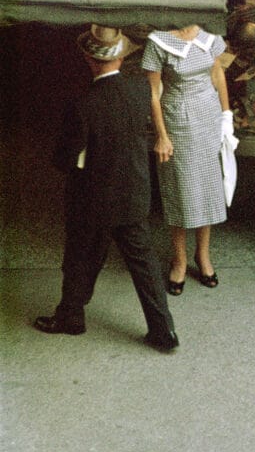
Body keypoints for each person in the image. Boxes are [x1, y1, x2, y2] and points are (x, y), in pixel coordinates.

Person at [34, 26, 179, 353]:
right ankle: (163, 331)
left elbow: (65, 159)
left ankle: (71, 316)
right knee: (145, 268)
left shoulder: (82, 104)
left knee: (79, 259)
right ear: (121, 56)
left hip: (92, 200)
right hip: (133, 193)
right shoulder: (141, 89)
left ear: (89, 58)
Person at [142, 24, 237, 294]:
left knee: (207, 188)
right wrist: (161, 135)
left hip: (209, 117)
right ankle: (180, 259)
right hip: (177, 120)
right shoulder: (158, 42)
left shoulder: (209, 33)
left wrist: (226, 115)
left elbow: (217, 72)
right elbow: (153, 92)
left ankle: (203, 255)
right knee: (181, 190)